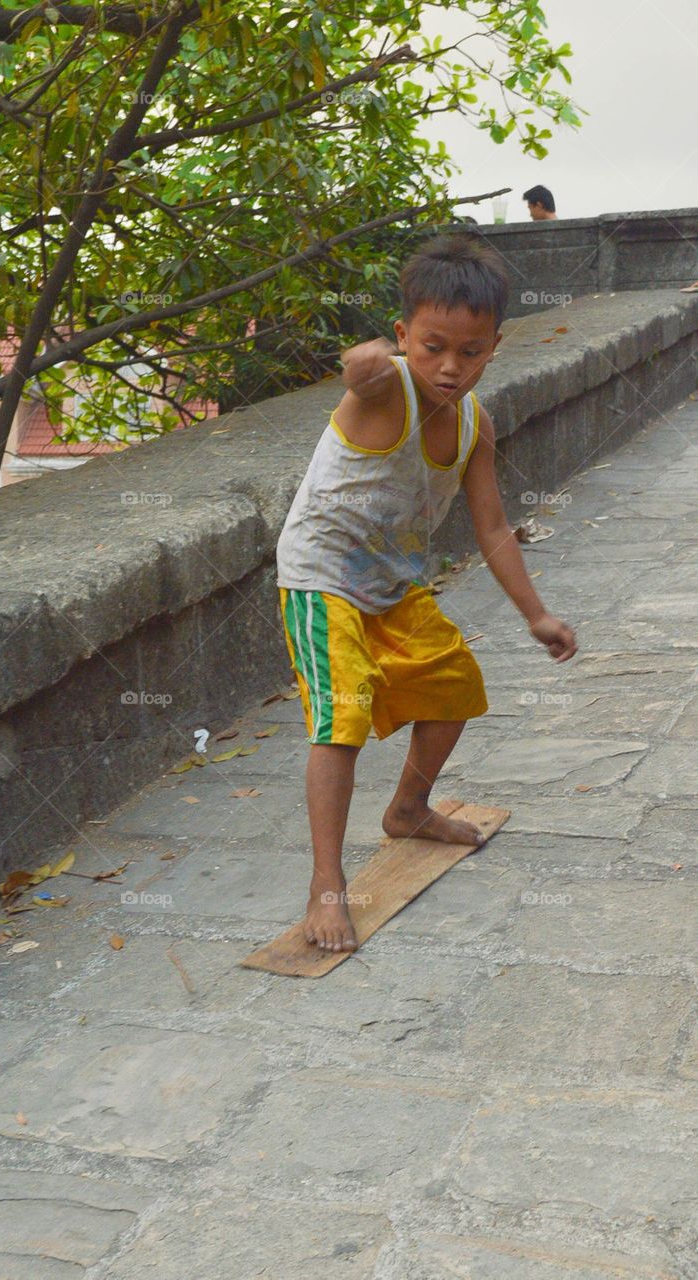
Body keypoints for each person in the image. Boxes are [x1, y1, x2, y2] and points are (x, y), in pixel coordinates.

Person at [276, 235, 577, 953]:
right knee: (341, 718)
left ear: (494, 347)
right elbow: (360, 379)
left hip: (391, 585)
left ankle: (408, 810)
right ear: (404, 334)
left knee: (453, 689)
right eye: (431, 346)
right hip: (321, 581)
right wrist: (362, 365)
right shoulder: (386, 390)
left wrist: (534, 613)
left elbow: (494, 527)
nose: (448, 367)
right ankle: (326, 885)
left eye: (468, 352)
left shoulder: (475, 425)